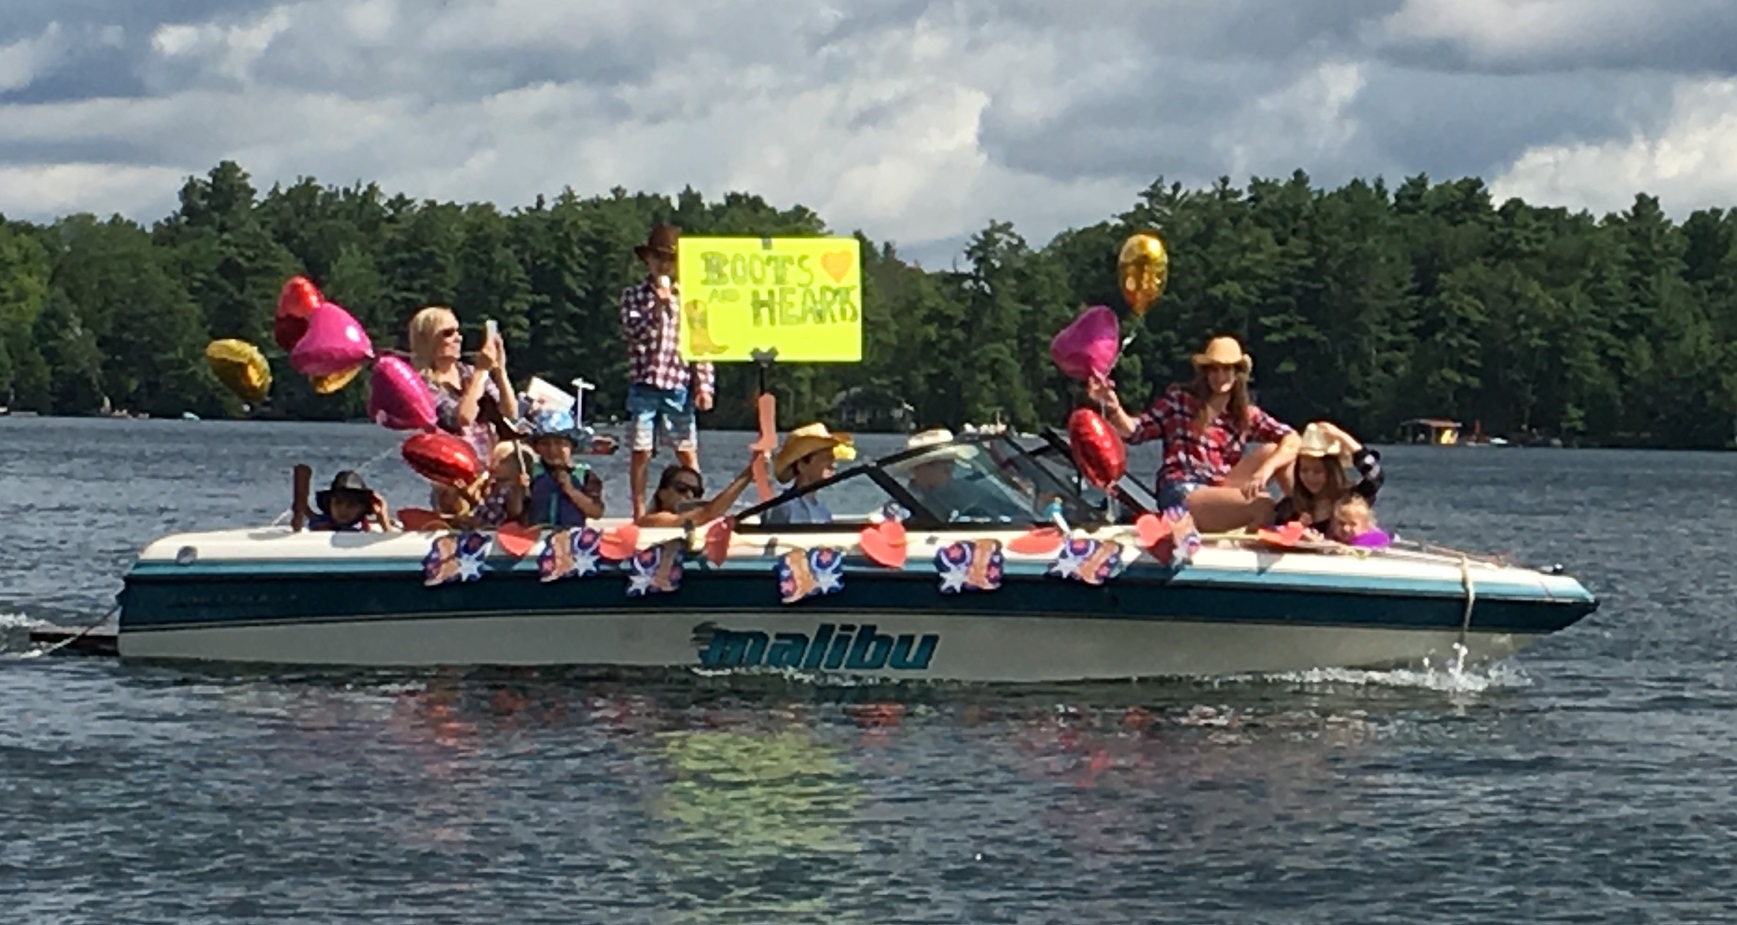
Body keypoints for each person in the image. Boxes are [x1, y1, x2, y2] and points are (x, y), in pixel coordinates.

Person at [1089, 334, 1300, 533]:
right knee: (1263, 505)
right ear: (1205, 373)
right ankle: (1251, 549)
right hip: (1182, 491)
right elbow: (1135, 432)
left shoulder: (1244, 415)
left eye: (1226, 369)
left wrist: (1265, 470)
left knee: (1277, 452)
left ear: (1237, 374)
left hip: (1218, 487)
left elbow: (1292, 439)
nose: (1220, 377)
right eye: (1213, 370)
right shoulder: (1181, 401)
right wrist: (1114, 408)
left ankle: (1305, 518)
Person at [619, 223, 715, 520]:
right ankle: (638, 512)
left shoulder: (691, 299)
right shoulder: (633, 296)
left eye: (670, 259)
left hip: (678, 384)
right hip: (645, 382)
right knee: (641, 450)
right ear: (647, 260)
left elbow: (702, 347)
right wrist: (657, 311)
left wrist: (704, 386)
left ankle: (697, 504)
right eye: (658, 258)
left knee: (686, 449)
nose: (664, 264)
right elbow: (634, 334)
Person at [409, 305, 520, 465]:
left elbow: (510, 412)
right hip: (452, 468)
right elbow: (460, 419)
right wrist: (481, 372)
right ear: (426, 340)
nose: (458, 338)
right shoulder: (422, 384)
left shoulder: (467, 372)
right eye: (448, 333)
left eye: (458, 331)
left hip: (486, 464)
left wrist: (500, 371)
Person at [1273, 421, 1384, 528]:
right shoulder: (1291, 507)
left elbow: (1375, 474)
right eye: (1304, 470)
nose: (1310, 477)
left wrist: (1341, 437)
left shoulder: (1351, 499)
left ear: (1332, 471)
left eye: (1318, 471)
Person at [525, 407, 605, 528]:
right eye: (545, 444)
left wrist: (571, 490)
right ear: (536, 447)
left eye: (559, 443)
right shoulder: (531, 472)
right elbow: (516, 511)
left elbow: (596, 512)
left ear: (572, 446)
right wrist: (520, 489)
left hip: (571, 536)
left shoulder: (584, 475)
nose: (552, 450)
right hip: (537, 535)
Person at [762, 423, 849, 525]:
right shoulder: (784, 508)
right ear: (802, 465)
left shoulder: (824, 512)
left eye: (833, 459)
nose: (834, 465)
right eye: (826, 459)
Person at [635, 458, 760, 528]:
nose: (689, 495)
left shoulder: (696, 524)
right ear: (662, 493)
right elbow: (708, 513)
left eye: (696, 492)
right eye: (681, 488)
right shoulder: (651, 520)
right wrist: (749, 473)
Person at [297, 470, 392, 532]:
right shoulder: (320, 523)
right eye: (338, 503)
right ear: (329, 504)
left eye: (351, 504)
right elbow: (303, 510)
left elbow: (390, 548)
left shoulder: (366, 531)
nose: (343, 509)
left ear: (363, 508)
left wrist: (383, 517)